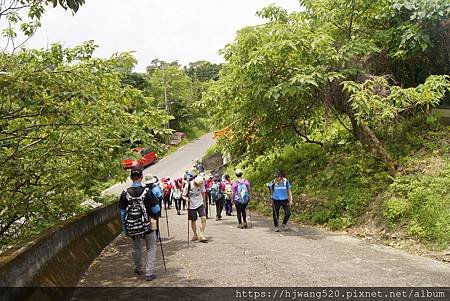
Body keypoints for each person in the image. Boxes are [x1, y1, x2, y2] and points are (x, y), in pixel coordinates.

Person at [119, 166, 161, 281]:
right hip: (147, 224)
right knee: (151, 246)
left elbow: (122, 213)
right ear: (142, 177)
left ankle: (138, 268)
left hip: (132, 225)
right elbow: (156, 209)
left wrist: (125, 227)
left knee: (136, 246)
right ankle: (149, 272)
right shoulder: (147, 192)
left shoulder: (125, 193)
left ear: (130, 177)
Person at [183, 171, 208, 242]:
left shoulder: (201, 184)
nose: (198, 186)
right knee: (193, 221)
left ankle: (201, 235)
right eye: (197, 185)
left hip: (200, 203)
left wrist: (204, 203)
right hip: (191, 205)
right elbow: (183, 195)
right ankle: (195, 234)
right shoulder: (188, 185)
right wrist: (186, 199)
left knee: (204, 218)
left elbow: (203, 193)